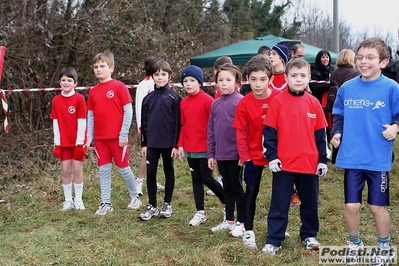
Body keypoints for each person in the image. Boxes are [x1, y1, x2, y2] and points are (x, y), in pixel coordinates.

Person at [331, 37, 399, 264]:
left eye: (370, 57)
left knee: (376, 206)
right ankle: (354, 243)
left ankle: (384, 247)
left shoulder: (392, 87)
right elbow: (338, 114)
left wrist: (395, 127)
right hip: (352, 157)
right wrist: (337, 132)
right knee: (351, 205)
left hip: (377, 158)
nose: (363, 61)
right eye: (360, 57)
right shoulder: (347, 88)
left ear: (384, 62)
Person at [262, 58, 328, 255]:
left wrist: (323, 160)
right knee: (279, 203)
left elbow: (321, 135)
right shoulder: (277, 101)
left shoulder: (314, 103)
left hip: (309, 165)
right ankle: (274, 239)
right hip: (283, 164)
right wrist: (272, 156)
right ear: (286, 78)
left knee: (310, 203)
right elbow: (269, 132)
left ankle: (309, 235)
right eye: (294, 75)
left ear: (309, 78)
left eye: (302, 76)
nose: (298, 79)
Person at [232, 55, 281, 248]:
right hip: (253, 155)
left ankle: (277, 228)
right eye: (253, 80)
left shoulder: (280, 98)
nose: (258, 84)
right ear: (247, 80)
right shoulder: (244, 103)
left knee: (280, 193)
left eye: (262, 79)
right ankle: (248, 230)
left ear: (271, 80)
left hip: (279, 154)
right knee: (251, 191)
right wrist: (244, 156)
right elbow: (240, 132)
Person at [87, 52, 142, 215]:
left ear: (111, 68)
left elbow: (128, 111)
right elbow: (90, 114)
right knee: (103, 170)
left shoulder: (119, 86)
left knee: (123, 168)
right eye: (96, 67)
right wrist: (89, 137)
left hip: (118, 138)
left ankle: (135, 196)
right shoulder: (93, 91)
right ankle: (105, 203)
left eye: (102, 66)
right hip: (100, 139)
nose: (98, 69)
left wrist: (123, 133)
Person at [177, 65, 225, 227]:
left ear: (200, 82)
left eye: (192, 80)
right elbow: (183, 125)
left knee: (207, 178)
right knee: (195, 179)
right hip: (190, 148)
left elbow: (214, 127)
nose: (188, 84)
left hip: (205, 148)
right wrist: (180, 145)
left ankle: (227, 203)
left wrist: (214, 149)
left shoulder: (208, 101)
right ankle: (200, 211)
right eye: (185, 81)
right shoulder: (183, 103)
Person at [139, 60, 181, 221]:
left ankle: (167, 203)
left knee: (168, 171)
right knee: (151, 173)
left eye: (163, 74)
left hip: (168, 144)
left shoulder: (175, 98)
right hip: (152, 144)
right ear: (152, 77)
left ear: (169, 76)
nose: (160, 77)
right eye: (157, 75)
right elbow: (144, 123)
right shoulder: (148, 99)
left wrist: (176, 145)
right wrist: (144, 143)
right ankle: (152, 205)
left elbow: (178, 123)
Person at [208, 63, 244, 236]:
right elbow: (211, 130)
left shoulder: (241, 102)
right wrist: (211, 154)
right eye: (220, 80)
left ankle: (242, 222)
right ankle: (229, 220)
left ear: (237, 82)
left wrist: (243, 154)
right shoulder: (215, 104)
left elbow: (246, 130)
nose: (224, 83)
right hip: (220, 154)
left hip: (236, 155)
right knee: (227, 187)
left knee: (237, 187)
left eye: (228, 80)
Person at [51, 67, 87, 211]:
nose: (66, 83)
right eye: (63, 80)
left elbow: (82, 121)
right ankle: (68, 200)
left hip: (77, 142)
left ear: (75, 83)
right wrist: (57, 143)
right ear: (59, 82)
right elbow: (55, 122)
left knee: (77, 170)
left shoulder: (79, 99)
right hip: (63, 142)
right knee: (66, 171)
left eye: (69, 80)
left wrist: (79, 143)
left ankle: (78, 199)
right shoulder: (56, 100)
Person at [135, 56, 165, 195]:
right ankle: (139, 182)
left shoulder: (160, 83)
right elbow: (139, 106)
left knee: (157, 155)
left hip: (160, 125)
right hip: (148, 125)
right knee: (146, 155)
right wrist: (140, 127)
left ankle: (152, 180)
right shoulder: (143, 85)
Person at [329, 49, 360, 164]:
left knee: (337, 128)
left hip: (334, 102)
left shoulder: (335, 72)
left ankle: (335, 157)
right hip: (350, 103)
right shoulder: (355, 73)